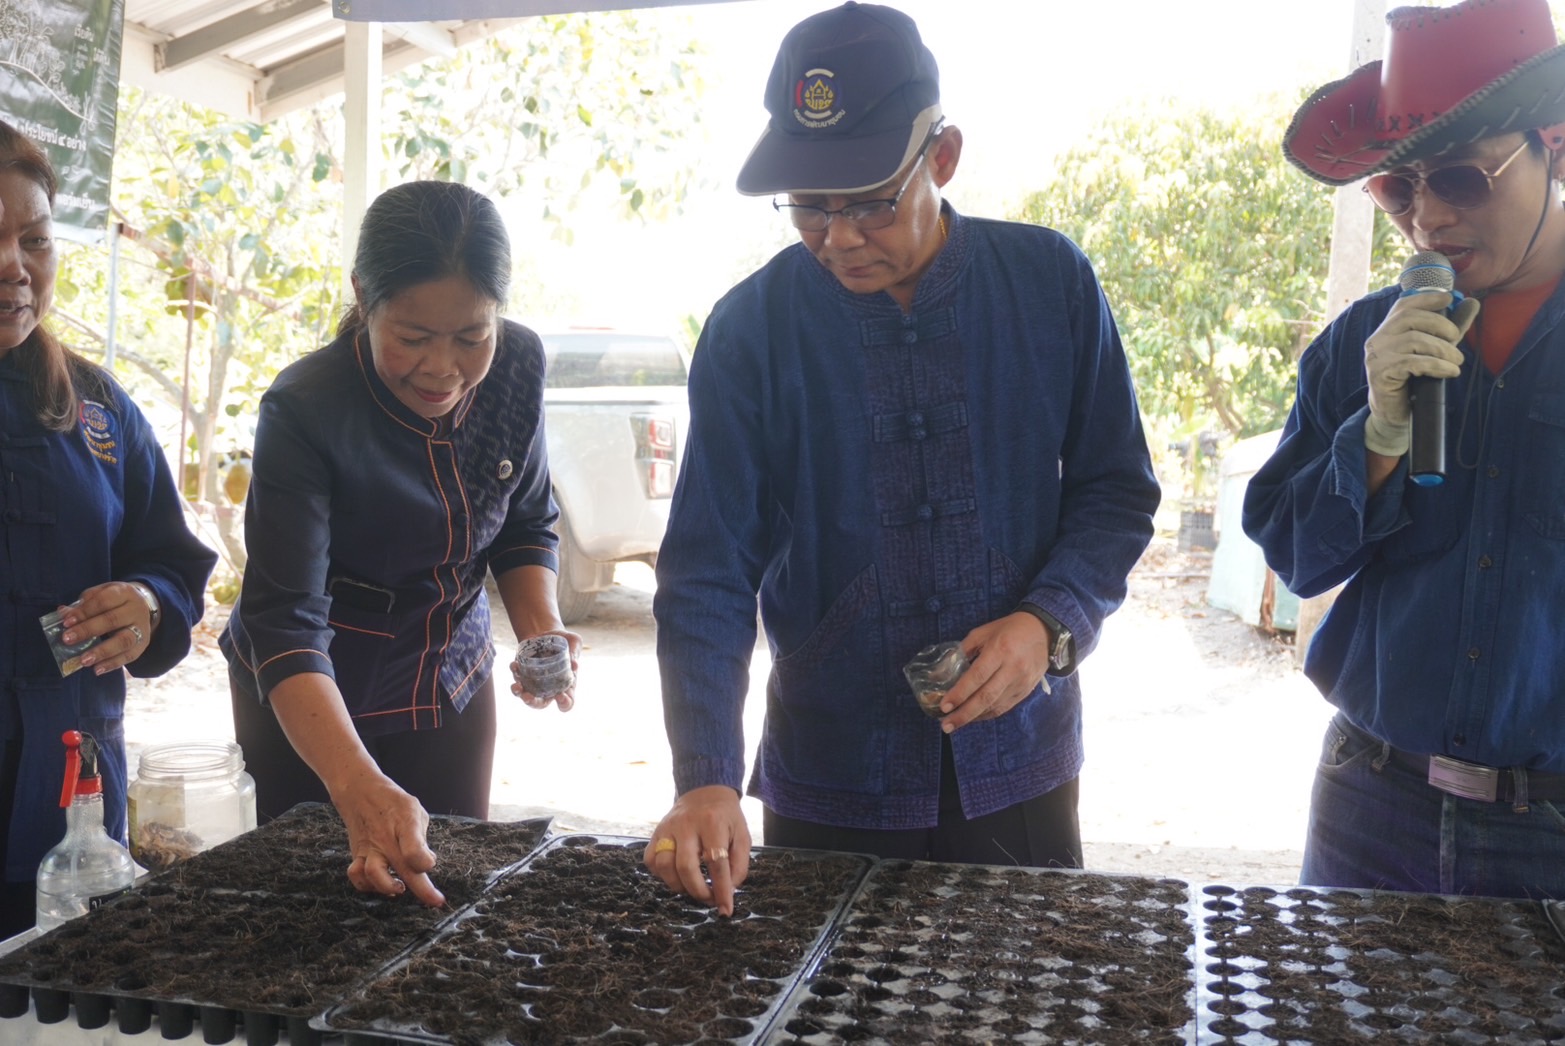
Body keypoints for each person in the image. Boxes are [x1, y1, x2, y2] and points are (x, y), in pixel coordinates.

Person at [644, 2, 1159, 915]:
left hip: (1019, 760)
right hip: (831, 764)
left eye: (870, 203)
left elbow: (1115, 490)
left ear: (944, 156)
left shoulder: (1048, 284)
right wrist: (707, 774)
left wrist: (1048, 620)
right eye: (808, 205)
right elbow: (708, 571)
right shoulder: (750, 330)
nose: (836, 237)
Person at [1242, 0, 1565, 898]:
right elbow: (1295, 558)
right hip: (1372, 805)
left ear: (1558, 148)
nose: (1425, 219)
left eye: (1458, 179)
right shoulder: (1356, 345)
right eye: (1397, 189)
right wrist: (1375, 436)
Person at [219, 180, 576, 908]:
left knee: (444, 898)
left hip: (451, 675)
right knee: (308, 912)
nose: (443, 368)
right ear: (362, 296)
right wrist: (354, 785)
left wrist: (542, 636)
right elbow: (284, 620)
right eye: (412, 338)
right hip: (311, 694)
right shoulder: (305, 407)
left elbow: (525, 520)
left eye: (472, 336)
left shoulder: (518, 366)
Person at [0, 120, 216, 936]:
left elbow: (170, 560)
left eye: (35, 239)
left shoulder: (94, 409)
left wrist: (149, 604)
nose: (14, 268)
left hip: (73, 814)